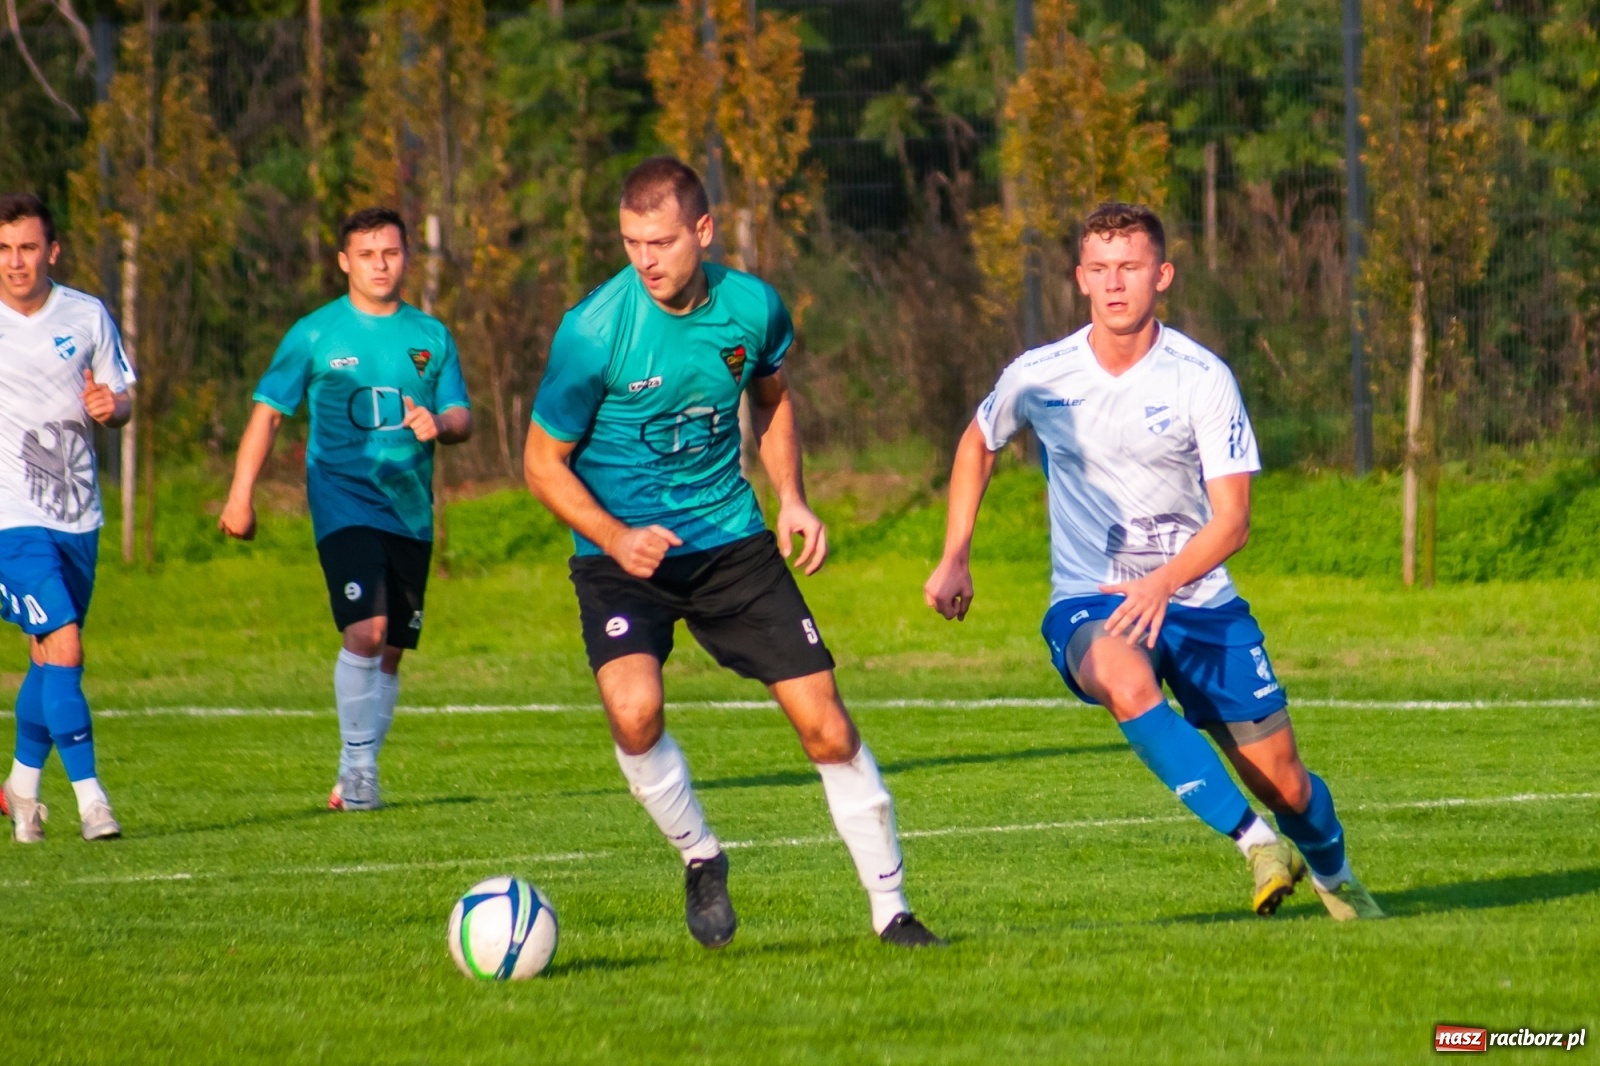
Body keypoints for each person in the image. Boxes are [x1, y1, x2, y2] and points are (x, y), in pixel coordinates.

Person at [524, 157, 942, 949]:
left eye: (660, 241)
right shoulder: (592, 333)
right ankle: (700, 855)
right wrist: (615, 536)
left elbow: (773, 397)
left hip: (730, 545)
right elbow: (541, 462)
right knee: (635, 710)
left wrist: (791, 496)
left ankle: (893, 911)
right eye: (629, 242)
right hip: (622, 557)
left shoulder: (752, 307)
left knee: (824, 724)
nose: (644, 260)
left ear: (703, 232)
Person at [924, 202, 1383, 921]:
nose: (1115, 285)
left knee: (1284, 782)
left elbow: (1233, 522)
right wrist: (956, 555)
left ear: (1161, 275)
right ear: (1079, 279)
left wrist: (1164, 583)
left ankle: (1334, 871)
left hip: (1198, 598)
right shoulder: (1039, 374)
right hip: (1091, 595)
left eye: (1130, 268)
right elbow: (977, 442)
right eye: (1100, 270)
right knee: (1121, 672)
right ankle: (1258, 846)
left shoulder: (1201, 377)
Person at [220, 207, 471, 811]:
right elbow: (269, 413)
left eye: (390, 252)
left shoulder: (431, 336)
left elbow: (462, 415)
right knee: (368, 628)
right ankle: (361, 773)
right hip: (342, 500)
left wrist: (440, 422)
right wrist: (239, 494)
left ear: (406, 256)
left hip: (410, 508)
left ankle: (352, 768)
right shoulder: (314, 334)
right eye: (366, 254)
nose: (380, 265)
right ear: (344, 262)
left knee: (391, 650)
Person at [0, 193, 135, 843]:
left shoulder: (86, 315)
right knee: (68, 644)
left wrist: (114, 405)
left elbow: (123, 396)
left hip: (78, 514)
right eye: (3, 249)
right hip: (10, 518)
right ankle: (92, 801)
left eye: (27, 247)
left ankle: (21, 788)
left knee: (50, 658)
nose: (15, 261)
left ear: (51, 252)